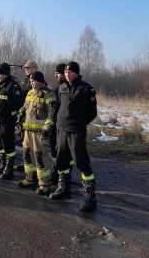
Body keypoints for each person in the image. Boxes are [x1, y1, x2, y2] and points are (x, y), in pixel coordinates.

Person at [50, 61, 98, 212]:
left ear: (76, 73)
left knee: (81, 162)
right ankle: (63, 188)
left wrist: (79, 123)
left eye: (70, 72)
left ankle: (90, 197)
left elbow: (92, 112)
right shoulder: (61, 88)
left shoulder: (86, 88)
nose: (67, 74)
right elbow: (57, 107)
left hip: (76, 131)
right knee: (61, 161)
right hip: (62, 130)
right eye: (65, 72)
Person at [18, 71, 57, 196]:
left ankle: (44, 185)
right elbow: (24, 108)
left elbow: (52, 113)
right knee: (26, 155)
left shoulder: (48, 94)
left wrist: (47, 127)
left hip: (40, 133)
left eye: (33, 81)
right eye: (30, 81)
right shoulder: (30, 92)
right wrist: (19, 118)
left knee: (40, 158)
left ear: (40, 81)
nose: (31, 83)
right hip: (28, 132)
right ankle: (29, 179)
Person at [0, 63, 22, 180]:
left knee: (8, 145)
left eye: (0, 74)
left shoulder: (13, 86)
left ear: (6, 74)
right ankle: (2, 165)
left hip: (7, 122)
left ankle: (9, 169)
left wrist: (12, 117)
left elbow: (18, 104)